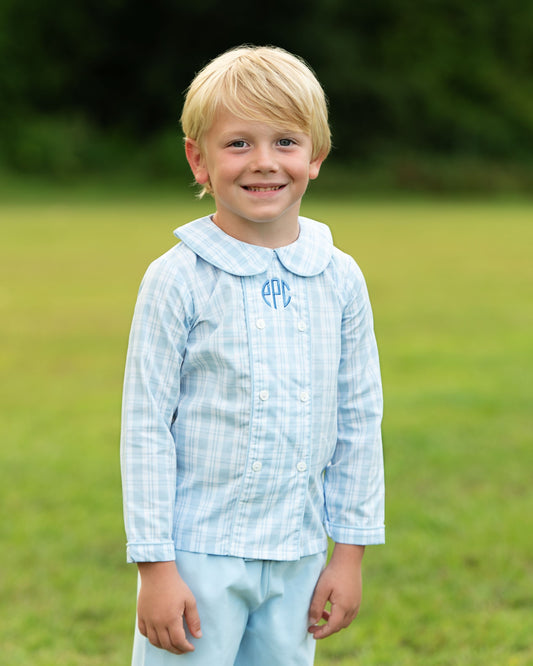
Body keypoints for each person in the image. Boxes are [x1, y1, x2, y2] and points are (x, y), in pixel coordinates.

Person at [120, 44, 385, 666]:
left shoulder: (340, 277)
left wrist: (347, 554)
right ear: (198, 159)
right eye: (238, 143)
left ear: (315, 156)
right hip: (197, 554)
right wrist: (156, 568)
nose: (264, 163)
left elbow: (359, 421)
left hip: (298, 554)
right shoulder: (177, 278)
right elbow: (145, 428)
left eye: (286, 142)